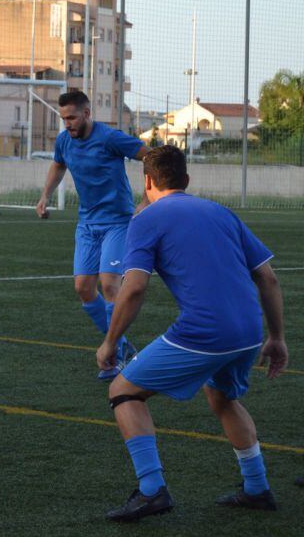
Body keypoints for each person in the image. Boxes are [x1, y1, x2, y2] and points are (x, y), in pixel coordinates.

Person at [97, 145, 287, 522]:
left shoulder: (146, 219)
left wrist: (110, 341)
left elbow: (133, 288)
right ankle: (257, 488)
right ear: (186, 180)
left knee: (123, 391)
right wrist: (276, 337)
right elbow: (267, 276)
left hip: (205, 332)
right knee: (222, 396)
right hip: (249, 330)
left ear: (147, 180)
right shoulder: (221, 212)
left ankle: (152, 491)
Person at [35, 90, 147, 379]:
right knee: (84, 288)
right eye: (63, 119)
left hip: (118, 222)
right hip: (87, 224)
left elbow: (149, 154)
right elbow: (59, 164)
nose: (67, 124)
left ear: (87, 113)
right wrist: (45, 195)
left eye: (71, 117)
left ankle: (115, 354)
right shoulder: (64, 141)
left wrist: (148, 198)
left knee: (110, 284)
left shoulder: (110, 138)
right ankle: (121, 346)